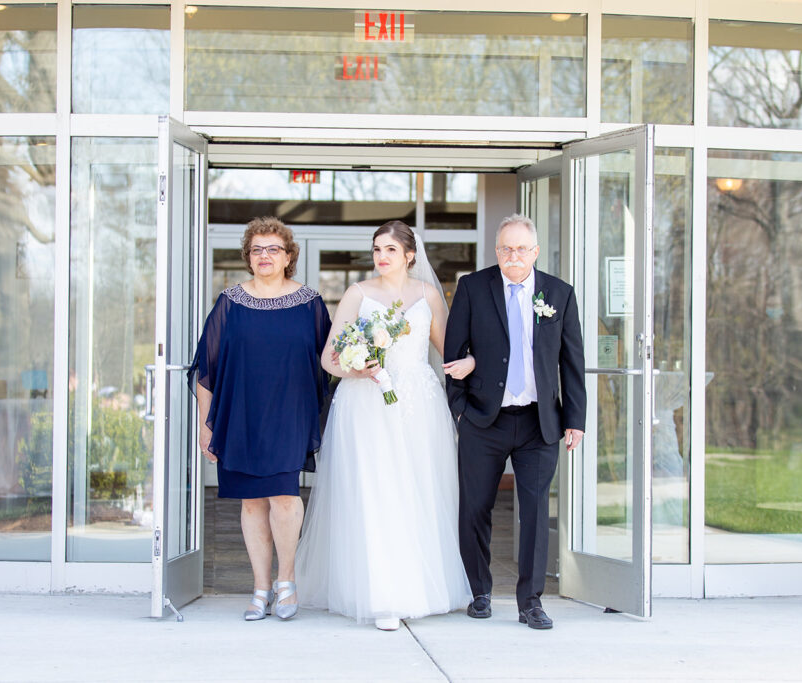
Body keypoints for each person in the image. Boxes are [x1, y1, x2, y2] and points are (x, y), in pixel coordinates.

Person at [296, 220, 474, 631]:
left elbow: (449, 350)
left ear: (410, 255)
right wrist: (357, 367)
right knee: (375, 494)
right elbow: (328, 358)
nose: (382, 256)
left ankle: (419, 589)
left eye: (391, 249)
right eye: (377, 249)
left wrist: (471, 361)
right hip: (366, 402)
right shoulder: (358, 294)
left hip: (418, 403)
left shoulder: (429, 295)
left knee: (416, 492)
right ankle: (381, 596)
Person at [444, 213, 587, 630]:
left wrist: (575, 419)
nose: (513, 255)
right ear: (496, 250)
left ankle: (531, 602)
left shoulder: (559, 294)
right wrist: (461, 412)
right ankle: (479, 592)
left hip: (539, 423)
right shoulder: (473, 288)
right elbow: (453, 355)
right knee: (475, 508)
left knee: (536, 513)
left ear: (535, 251)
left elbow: (572, 362)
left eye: (522, 248)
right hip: (483, 420)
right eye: (506, 248)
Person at [188, 216, 331, 622]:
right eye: (256, 249)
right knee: (251, 503)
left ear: (288, 256)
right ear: (248, 258)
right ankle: (260, 588)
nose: (264, 255)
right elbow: (207, 368)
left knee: (284, 497)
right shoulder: (229, 303)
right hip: (241, 415)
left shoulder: (310, 303)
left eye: (273, 249)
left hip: (289, 413)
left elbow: (330, 362)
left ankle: (287, 582)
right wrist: (205, 424)